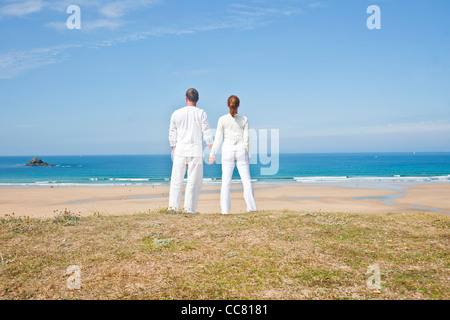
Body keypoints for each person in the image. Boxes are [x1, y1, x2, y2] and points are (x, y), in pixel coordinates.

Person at [208, 95, 257, 214]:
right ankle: (252, 208)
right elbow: (247, 139)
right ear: (238, 105)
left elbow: (218, 139)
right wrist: (249, 155)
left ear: (227, 105)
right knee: (246, 181)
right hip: (241, 151)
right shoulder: (244, 119)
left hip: (227, 152)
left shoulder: (222, 119)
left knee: (226, 182)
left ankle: (225, 211)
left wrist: (212, 154)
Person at [168, 88, 213, 213]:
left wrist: (173, 147)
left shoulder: (176, 113)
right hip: (195, 151)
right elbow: (207, 133)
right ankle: (189, 209)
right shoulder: (201, 113)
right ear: (197, 99)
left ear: (186, 98)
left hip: (180, 151)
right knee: (193, 182)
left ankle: (173, 208)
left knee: (176, 181)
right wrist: (212, 151)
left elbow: (172, 133)